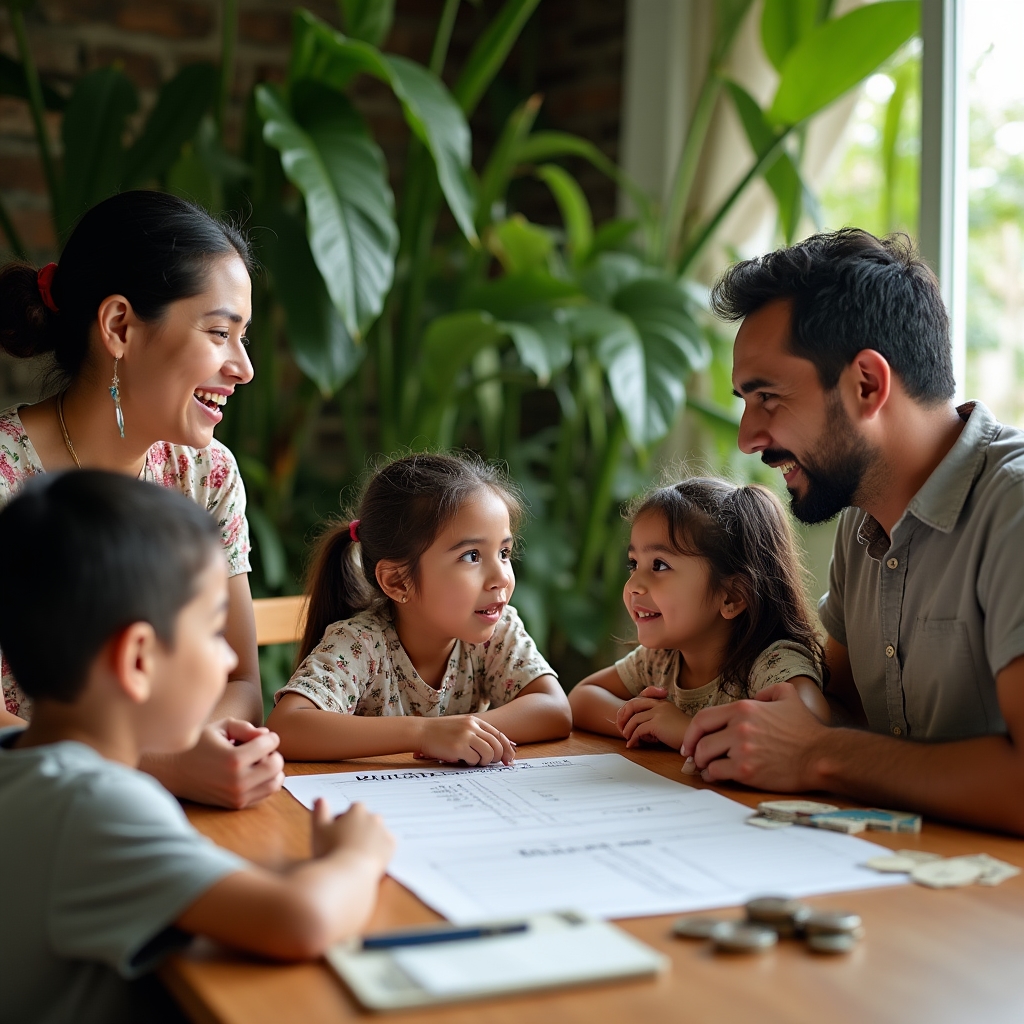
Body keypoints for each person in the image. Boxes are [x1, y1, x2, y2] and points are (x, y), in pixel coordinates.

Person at [0, 471, 394, 1024]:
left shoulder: (19, 757)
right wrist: (357, 856)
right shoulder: (94, 806)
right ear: (138, 660)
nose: (230, 661)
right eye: (212, 634)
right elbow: (298, 921)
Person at [680, 229, 1024, 836]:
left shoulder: (1015, 506)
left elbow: (827, 744)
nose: (747, 437)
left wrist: (816, 754)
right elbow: (840, 710)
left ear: (867, 383)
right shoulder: (864, 516)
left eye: (767, 396)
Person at [0, 190, 283, 809]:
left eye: (244, 337)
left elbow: (239, 680)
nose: (244, 367)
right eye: (219, 332)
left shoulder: (206, 474)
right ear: (120, 327)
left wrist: (199, 754)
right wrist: (162, 764)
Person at [267, 452, 572, 763]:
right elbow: (285, 728)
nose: (501, 578)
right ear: (398, 582)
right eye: (472, 556)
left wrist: (459, 733)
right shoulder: (362, 645)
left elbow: (554, 708)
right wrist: (425, 734)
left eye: (504, 552)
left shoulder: (498, 631)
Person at [569, 477, 829, 750]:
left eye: (659, 565)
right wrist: (644, 723)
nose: (633, 586)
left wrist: (689, 731)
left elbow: (811, 727)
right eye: (634, 564)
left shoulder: (769, 664)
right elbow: (582, 698)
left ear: (732, 596)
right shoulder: (661, 661)